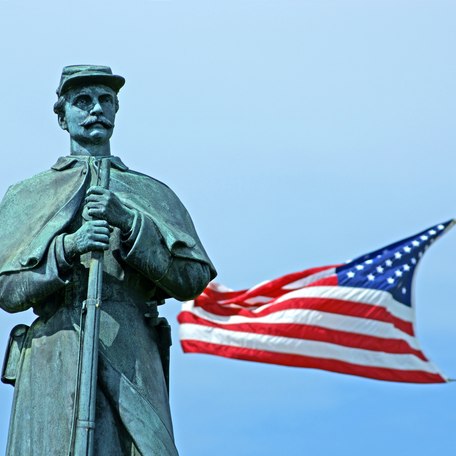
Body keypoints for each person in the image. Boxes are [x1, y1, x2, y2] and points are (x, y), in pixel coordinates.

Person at [0, 65, 216, 455]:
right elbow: (7, 291)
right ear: (62, 117)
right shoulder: (27, 195)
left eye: (105, 100)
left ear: (116, 111)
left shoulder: (152, 193)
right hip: (56, 348)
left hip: (132, 348)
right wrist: (67, 249)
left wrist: (131, 223)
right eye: (82, 101)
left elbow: (193, 277)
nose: (95, 109)